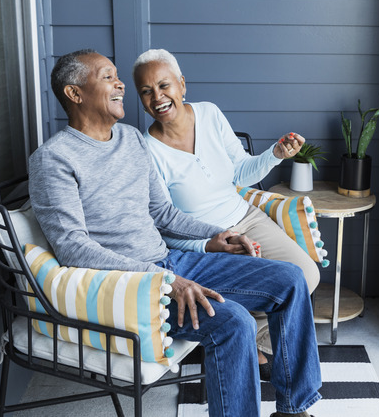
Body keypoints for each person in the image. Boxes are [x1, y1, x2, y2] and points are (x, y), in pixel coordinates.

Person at [29, 48, 321, 417]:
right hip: (132, 286)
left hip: (170, 263)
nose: (121, 84)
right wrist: (165, 279)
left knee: (291, 279)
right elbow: (73, 248)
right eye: (107, 77)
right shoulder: (54, 159)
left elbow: (163, 213)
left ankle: (293, 410)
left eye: (118, 76)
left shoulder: (131, 140)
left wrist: (220, 234)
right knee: (234, 323)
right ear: (75, 94)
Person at [132, 49, 321, 375]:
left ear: (182, 84)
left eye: (164, 86)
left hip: (245, 217)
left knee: (307, 275)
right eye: (146, 91)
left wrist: (275, 154)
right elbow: (163, 225)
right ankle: (247, 341)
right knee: (264, 292)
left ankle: (256, 340)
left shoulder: (209, 114)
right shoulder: (145, 149)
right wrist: (209, 243)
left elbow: (240, 173)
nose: (158, 97)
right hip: (201, 244)